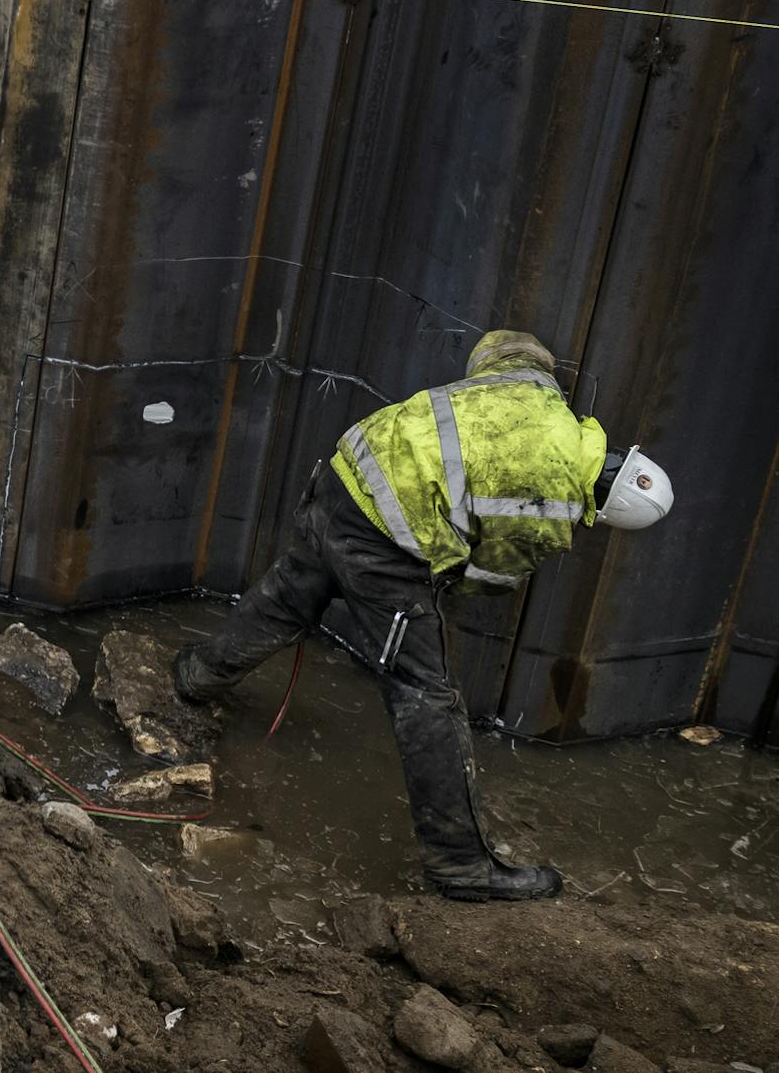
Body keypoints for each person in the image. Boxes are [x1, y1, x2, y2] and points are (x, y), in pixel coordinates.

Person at [173, 329, 673, 903]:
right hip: (385, 537)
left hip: (344, 475)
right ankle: (460, 865)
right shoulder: (553, 500)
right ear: (605, 508)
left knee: (291, 593)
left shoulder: (542, 393)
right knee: (427, 697)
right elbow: (492, 577)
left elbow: (505, 348)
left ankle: (197, 677)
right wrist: (434, 587)